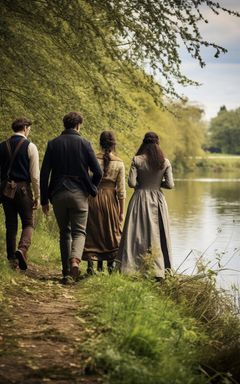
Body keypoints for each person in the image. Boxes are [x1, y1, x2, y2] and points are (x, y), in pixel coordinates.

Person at [40, 111, 102, 283]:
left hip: (58, 194)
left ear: (65, 124)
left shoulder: (53, 144)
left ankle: (66, 273)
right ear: (78, 125)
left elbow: (44, 174)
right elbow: (98, 172)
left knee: (64, 233)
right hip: (79, 194)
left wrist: (44, 200)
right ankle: (75, 260)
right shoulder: (85, 143)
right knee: (79, 232)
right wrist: (91, 189)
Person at [118, 131, 174, 280]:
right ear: (157, 143)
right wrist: (157, 184)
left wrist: (141, 184)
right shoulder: (165, 162)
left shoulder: (137, 160)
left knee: (136, 234)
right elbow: (170, 184)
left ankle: (132, 269)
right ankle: (158, 271)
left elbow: (131, 183)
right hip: (157, 199)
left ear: (144, 143)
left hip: (140, 198)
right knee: (157, 234)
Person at [83, 131, 126, 274]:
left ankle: (91, 266)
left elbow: (85, 180)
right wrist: (121, 211)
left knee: (92, 230)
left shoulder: (92, 158)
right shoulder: (119, 163)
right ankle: (109, 266)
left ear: (100, 143)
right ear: (114, 145)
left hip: (92, 198)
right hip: (110, 200)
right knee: (110, 231)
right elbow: (121, 191)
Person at [0, 118, 40, 270]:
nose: (29, 130)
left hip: (6, 190)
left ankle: (12, 260)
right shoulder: (30, 146)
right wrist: (37, 196)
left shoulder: (2, 146)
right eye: (29, 128)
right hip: (23, 189)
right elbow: (35, 176)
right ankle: (22, 249)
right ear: (24, 128)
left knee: (11, 224)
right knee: (28, 222)